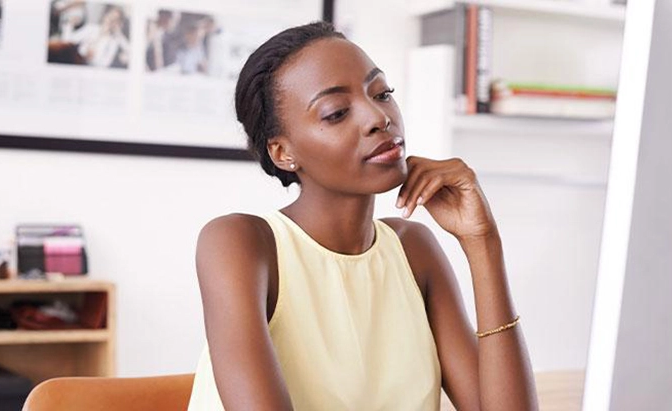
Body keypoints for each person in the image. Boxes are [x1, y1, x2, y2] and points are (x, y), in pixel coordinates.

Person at [187, 21, 538, 411]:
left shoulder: (413, 249)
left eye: (382, 93)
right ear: (283, 152)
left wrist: (482, 242)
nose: (378, 117)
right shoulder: (240, 244)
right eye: (336, 113)